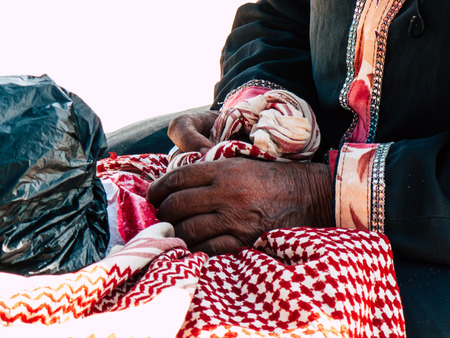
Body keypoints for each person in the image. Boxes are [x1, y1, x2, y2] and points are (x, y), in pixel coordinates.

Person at [134, 0, 450, 336]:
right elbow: (279, 16)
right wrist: (261, 110)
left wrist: (317, 194)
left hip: (428, 236)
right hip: (295, 162)